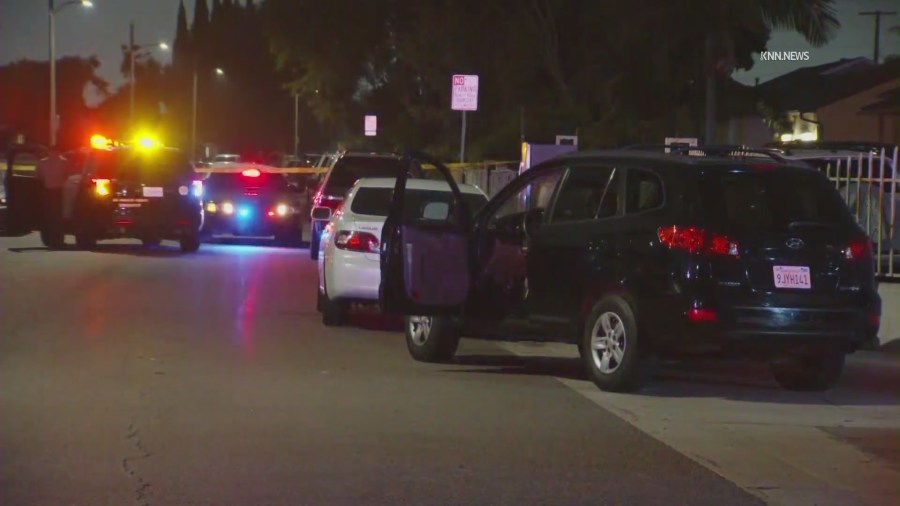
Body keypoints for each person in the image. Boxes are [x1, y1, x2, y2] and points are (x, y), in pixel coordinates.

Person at [34, 145, 68, 249]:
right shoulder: (64, 161)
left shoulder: (42, 162)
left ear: (49, 151)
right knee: (58, 218)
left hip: (47, 192)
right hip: (61, 192)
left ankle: (51, 240)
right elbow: (68, 175)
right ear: (59, 151)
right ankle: (59, 241)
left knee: (49, 218)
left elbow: (38, 177)